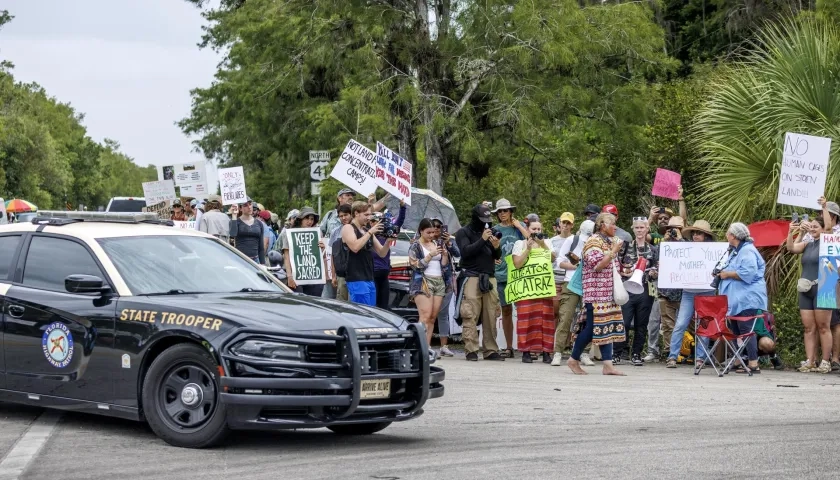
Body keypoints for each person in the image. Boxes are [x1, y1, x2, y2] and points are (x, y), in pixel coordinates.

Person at [566, 213, 625, 376]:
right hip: (596, 293)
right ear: (601, 225)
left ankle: (608, 365)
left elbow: (612, 266)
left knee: (605, 327)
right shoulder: (593, 241)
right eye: (611, 224)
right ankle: (573, 359)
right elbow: (598, 266)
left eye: (615, 224)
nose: (615, 227)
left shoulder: (610, 241)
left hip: (607, 293)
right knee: (593, 328)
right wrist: (613, 251)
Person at [715, 222, 768, 374]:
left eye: (728, 232)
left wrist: (726, 274)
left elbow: (748, 273)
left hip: (747, 298)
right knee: (737, 330)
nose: (726, 235)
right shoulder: (736, 251)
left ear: (733, 236)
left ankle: (753, 363)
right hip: (737, 298)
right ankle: (739, 359)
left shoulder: (747, 251)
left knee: (746, 330)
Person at [664, 219, 718, 368]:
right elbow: (674, 263)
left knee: (704, 325)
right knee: (680, 323)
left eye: (699, 233)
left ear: (706, 236)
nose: (695, 235)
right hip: (688, 292)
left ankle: (700, 357)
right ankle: (672, 356)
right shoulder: (685, 249)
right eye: (694, 233)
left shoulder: (714, 251)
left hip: (707, 292)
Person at [455, 203, 505, 361]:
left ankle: (490, 349)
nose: (486, 222)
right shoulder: (463, 232)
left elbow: (496, 257)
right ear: (475, 218)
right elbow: (465, 252)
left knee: (491, 314)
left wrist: (496, 247)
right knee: (470, 313)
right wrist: (483, 240)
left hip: (489, 277)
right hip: (472, 276)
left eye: (488, 219)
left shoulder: (489, 232)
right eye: (482, 219)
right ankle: (471, 349)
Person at [786, 216, 832, 373]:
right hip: (806, 289)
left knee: (824, 327)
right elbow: (791, 248)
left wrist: (824, 207)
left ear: (822, 229)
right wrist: (793, 232)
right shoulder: (808, 243)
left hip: (824, 286)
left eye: (815, 227)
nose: (812, 229)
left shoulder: (827, 242)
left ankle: (826, 361)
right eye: (810, 226)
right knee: (808, 327)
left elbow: (829, 227)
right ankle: (810, 360)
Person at [614, 217, 659, 366]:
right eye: (637, 228)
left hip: (645, 288)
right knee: (624, 322)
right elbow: (616, 265)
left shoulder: (653, 249)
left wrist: (653, 273)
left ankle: (636, 353)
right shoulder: (625, 246)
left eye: (642, 227)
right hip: (627, 287)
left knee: (642, 323)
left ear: (647, 229)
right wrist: (624, 271)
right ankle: (617, 352)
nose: (639, 230)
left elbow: (657, 268)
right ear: (632, 229)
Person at [551, 220, 595, 366]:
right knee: (565, 317)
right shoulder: (572, 240)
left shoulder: (596, 242)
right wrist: (575, 266)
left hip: (589, 284)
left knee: (588, 319)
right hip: (570, 282)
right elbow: (559, 262)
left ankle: (584, 352)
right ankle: (558, 352)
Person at [511, 221, 556, 364]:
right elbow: (517, 264)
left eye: (539, 228)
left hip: (543, 288)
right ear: (527, 230)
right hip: (526, 288)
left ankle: (546, 351)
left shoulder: (547, 242)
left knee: (545, 320)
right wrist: (528, 250)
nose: (536, 231)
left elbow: (553, 258)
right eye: (533, 228)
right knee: (526, 319)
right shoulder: (520, 243)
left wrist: (542, 244)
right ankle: (526, 351)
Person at [492, 198, 530, 358]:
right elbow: (489, 249)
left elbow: (531, 240)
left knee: (522, 311)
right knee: (506, 310)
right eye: (499, 211)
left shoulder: (518, 228)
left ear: (511, 212)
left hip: (518, 274)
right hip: (501, 273)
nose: (502, 214)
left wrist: (519, 226)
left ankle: (525, 346)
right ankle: (509, 346)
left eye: (505, 210)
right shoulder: (494, 229)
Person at [409, 218, 452, 354]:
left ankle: (427, 346)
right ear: (421, 231)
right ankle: (420, 346)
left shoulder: (437, 243)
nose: (431, 235)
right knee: (425, 315)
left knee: (433, 316)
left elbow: (444, 264)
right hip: (423, 281)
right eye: (428, 232)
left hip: (439, 280)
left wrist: (444, 255)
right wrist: (429, 256)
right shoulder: (415, 246)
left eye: (433, 232)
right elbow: (414, 264)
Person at [648, 215, 684, 360]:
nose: (672, 232)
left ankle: (686, 352)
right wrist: (654, 272)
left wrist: (679, 239)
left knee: (684, 324)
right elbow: (655, 265)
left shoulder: (688, 245)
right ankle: (670, 353)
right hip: (665, 291)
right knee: (668, 325)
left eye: (676, 229)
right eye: (669, 229)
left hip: (684, 292)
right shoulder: (661, 247)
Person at [341, 201, 390, 306]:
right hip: (356, 278)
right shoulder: (348, 228)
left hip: (369, 277)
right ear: (356, 213)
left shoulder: (366, 230)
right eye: (366, 215)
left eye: (370, 215)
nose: (369, 218)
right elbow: (355, 247)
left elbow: (382, 253)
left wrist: (389, 240)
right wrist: (370, 233)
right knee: (363, 315)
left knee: (371, 313)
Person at [277, 207, 325, 296]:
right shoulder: (288, 233)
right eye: (307, 218)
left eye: (312, 219)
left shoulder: (317, 234)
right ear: (300, 219)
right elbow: (286, 257)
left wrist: (321, 248)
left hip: (313, 277)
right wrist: (289, 276)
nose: (309, 221)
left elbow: (318, 257)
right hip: (296, 277)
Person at [432, 217, 460, 357]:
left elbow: (457, 254)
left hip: (446, 281)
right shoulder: (424, 241)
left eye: (439, 226)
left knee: (443, 314)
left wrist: (449, 242)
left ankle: (444, 345)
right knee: (429, 314)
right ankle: (426, 345)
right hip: (429, 281)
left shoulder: (448, 240)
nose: (436, 228)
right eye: (434, 226)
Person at [372, 200, 407, 309]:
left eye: (377, 221)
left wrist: (402, 207)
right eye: (372, 221)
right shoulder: (367, 234)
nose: (375, 223)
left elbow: (399, 222)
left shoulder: (386, 233)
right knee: (373, 306)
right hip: (371, 274)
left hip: (384, 273)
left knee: (384, 306)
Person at [550, 213, 574, 343]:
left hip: (569, 279)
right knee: (554, 312)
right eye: (563, 222)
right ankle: (554, 343)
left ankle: (567, 343)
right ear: (559, 224)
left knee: (567, 314)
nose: (565, 225)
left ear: (572, 225)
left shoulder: (575, 240)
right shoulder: (551, 241)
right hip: (554, 278)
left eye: (568, 223)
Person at [328, 204, 353, 301]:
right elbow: (333, 255)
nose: (343, 218)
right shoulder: (335, 232)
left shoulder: (357, 229)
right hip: (341, 276)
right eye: (341, 216)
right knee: (341, 303)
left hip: (356, 275)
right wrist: (333, 276)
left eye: (346, 215)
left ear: (351, 214)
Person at [233, 198, 265, 264]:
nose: (249, 207)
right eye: (245, 205)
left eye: (250, 204)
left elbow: (261, 247)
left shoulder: (259, 223)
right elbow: (232, 234)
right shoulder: (236, 222)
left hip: (256, 260)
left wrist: (263, 264)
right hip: (240, 259)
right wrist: (234, 215)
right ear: (240, 208)